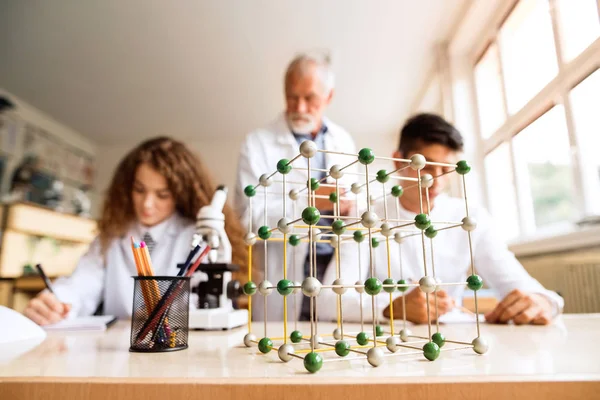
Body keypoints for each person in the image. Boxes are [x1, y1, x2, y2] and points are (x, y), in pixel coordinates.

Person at [323, 113, 563, 325]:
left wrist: (542, 302)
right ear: (398, 161)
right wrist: (393, 307)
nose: (436, 181)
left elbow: (522, 285)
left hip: (454, 341)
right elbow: (326, 300)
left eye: (445, 169)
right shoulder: (365, 216)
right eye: (425, 166)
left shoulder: (470, 217)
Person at [23, 137, 247, 325]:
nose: (147, 204)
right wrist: (55, 303)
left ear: (180, 194)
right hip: (120, 350)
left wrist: (169, 313)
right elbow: (82, 284)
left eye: (162, 195)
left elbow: (206, 301)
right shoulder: (112, 237)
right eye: (140, 190)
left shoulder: (197, 236)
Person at [235, 52, 357, 321]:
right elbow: (248, 218)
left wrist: (349, 207)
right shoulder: (258, 144)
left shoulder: (343, 141)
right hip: (285, 276)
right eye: (292, 97)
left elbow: (356, 207)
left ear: (329, 97)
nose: (299, 107)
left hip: (334, 272)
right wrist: (308, 204)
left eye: (309, 98)